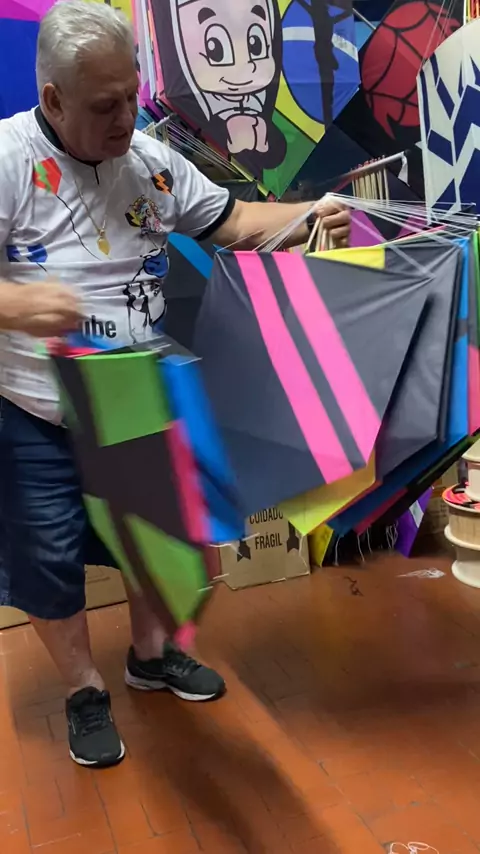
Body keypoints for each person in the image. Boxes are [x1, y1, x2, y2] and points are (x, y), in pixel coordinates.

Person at [0, 0, 351, 769]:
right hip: (35, 410)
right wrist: (16, 305)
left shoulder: (152, 161)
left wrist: (311, 214)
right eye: (105, 105)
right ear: (53, 98)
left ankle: (151, 657)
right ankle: (83, 690)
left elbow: (235, 223)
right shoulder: (7, 161)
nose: (127, 118)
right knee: (47, 557)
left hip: (139, 394)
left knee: (159, 537)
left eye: (132, 96)